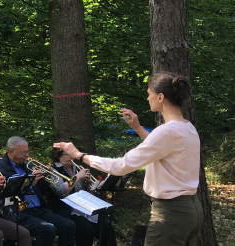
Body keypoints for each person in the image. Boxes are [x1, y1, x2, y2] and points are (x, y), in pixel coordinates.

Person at [53, 72, 202, 246]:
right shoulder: (187, 127)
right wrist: (138, 128)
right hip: (192, 210)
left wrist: (79, 155)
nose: (147, 98)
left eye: (149, 93)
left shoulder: (166, 131)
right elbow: (163, 149)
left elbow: (120, 166)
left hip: (171, 213)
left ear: (160, 97)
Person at [0, 136, 75, 246]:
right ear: (11, 151)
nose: (27, 155)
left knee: (69, 225)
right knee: (48, 229)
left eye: (27, 152)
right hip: (18, 211)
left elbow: (43, 190)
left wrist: (45, 176)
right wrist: (28, 184)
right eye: (23, 153)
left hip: (38, 208)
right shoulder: (0, 169)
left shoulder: (28, 165)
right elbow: (4, 196)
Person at [49, 148, 117, 246]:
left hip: (84, 208)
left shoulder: (76, 168)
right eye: (67, 155)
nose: (71, 158)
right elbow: (61, 191)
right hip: (67, 210)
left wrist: (89, 183)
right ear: (58, 156)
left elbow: (91, 192)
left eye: (72, 155)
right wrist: (78, 177)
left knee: (107, 229)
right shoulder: (54, 170)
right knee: (86, 230)